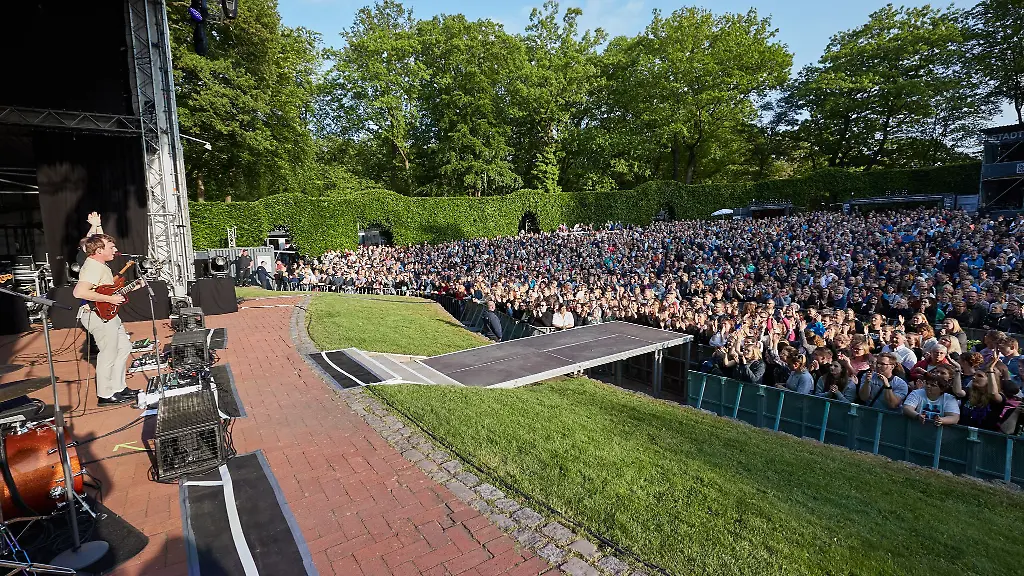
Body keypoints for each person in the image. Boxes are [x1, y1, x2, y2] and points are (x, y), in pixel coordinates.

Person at [72, 234, 137, 405]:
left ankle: (118, 387)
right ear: (99, 251)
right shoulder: (93, 266)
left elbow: (105, 289)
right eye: (111, 247)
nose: (115, 250)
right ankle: (105, 394)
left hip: (107, 314)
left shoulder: (101, 265)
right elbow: (79, 292)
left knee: (124, 347)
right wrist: (110, 299)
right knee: (108, 353)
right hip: (96, 315)